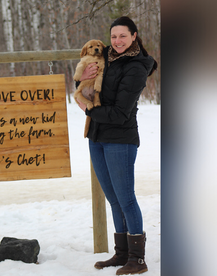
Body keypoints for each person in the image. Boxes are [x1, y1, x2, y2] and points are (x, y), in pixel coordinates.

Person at [75, 16, 158, 275]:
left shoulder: (136, 66)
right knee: (112, 199)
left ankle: (138, 258)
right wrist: (81, 81)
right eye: (113, 36)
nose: (117, 41)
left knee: (126, 198)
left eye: (123, 36)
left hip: (120, 139)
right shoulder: (104, 58)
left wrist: (87, 109)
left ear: (134, 36)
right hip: (97, 138)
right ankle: (122, 254)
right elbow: (87, 86)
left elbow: (121, 113)